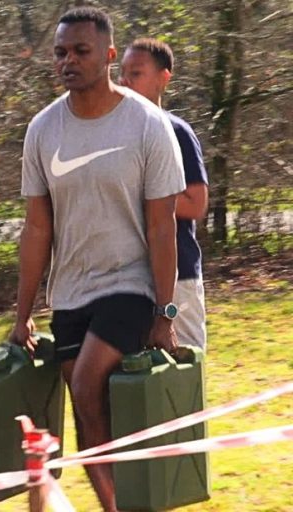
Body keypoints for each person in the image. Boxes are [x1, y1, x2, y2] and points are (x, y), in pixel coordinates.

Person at [9, 8, 185, 511]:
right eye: (61, 52)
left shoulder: (148, 124)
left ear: (108, 55)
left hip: (129, 286)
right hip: (70, 292)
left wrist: (164, 312)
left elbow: (162, 225)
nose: (69, 61)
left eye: (81, 51)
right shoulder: (42, 130)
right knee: (88, 409)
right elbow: (37, 228)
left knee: (87, 385)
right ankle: (117, 505)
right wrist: (22, 314)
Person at [120, 38, 209, 351]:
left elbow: (196, 203)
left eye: (136, 73)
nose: (125, 81)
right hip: (126, 279)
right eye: (122, 73)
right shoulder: (115, 136)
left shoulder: (177, 132)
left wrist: (144, 201)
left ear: (163, 77)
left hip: (178, 276)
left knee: (183, 373)